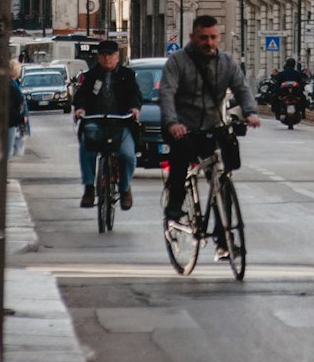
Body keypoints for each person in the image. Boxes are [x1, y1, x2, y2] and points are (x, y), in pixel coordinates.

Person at [160, 14, 260, 247]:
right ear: (193, 37)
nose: (209, 42)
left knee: (222, 177)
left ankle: (223, 236)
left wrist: (250, 112)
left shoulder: (226, 62)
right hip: (183, 127)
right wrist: (173, 122)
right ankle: (175, 205)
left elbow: (242, 88)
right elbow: (166, 94)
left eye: (214, 37)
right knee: (181, 156)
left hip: (213, 125)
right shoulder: (178, 61)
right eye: (204, 37)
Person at [73, 40, 142, 210]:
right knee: (86, 147)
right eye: (103, 55)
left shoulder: (128, 75)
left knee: (128, 155)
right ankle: (89, 187)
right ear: (98, 58)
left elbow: (135, 94)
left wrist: (134, 108)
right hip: (96, 121)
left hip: (121, 122)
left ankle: (125, 188)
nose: (107, 59)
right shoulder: (91, 76)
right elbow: (81, 95)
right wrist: (80, 108)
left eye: (110, 55)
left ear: (117, 56)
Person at [8, 59, 29, 158]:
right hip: (10, 122)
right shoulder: (11, 85)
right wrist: (21, 118)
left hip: (12, 121)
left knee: (10, 150)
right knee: (8, 151)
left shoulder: (13, 84)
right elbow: (10, 106)